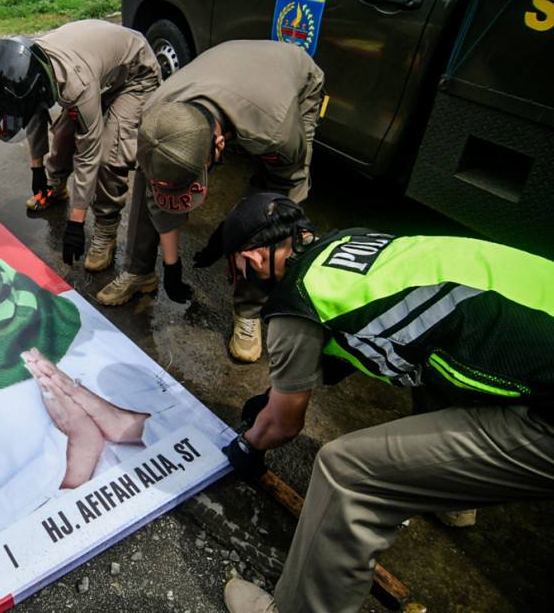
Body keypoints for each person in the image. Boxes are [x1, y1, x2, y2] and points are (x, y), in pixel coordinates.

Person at [214, 193, 554, 613]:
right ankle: (457, 498)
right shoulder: (353, 242)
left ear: (255, 259)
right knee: (429, 357)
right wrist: (278, 391)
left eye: (239, 269)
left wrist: (250, 443)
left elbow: (283, 426)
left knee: (347, 474)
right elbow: (376, 338)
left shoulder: (294, 305)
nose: (244, 278)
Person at [0, 237, 193, 556]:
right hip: (70, 556)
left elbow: (200, 428)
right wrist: (71, 457)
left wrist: (126, 422)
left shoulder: (69, 318)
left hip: (183, 509)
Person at [95, 40, 325, 364]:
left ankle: (248, 309)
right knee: (154, 174)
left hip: (289, 82)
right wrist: (170, 266)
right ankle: (138, 270)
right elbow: (156, 191)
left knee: (268, 214)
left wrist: (234, 232)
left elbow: (284, 190)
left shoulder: (275, 132)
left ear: (219, 145)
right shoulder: (156, 120)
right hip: (227, 67)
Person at [0, 19, 161, 272]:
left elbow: (89, 154)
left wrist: (76, 222)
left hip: (133, 76)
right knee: (64, 135)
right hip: (97, 65)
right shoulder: (27, 66)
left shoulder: (76, 86)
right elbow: (34, 114)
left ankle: (106, 230)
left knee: (109, 155)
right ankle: (56, 186)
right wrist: (37, 170)